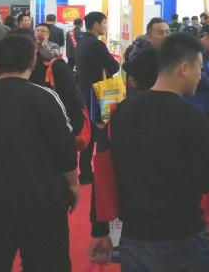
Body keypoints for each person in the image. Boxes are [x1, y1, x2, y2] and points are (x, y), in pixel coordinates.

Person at [110, 32, 209, 272]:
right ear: (184, 68)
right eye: (199, 68)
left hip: (132, 236)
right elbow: (207, 179)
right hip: (180, 237)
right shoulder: (191, 117)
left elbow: (110, 168)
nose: (200, 75)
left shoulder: (123, 110)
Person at [0, 33, 79, 272]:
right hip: (41, 199)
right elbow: (64, 147)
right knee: (46, 263)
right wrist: (73, 185)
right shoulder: (44, 97)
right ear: (32, 61)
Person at [88, 47, 159, 265]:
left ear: (133, 81)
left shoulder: (119, 115)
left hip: (133, 219)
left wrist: (99, 228)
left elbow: (103, 172)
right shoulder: (186, 115)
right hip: (179, 226)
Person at [75, 11, 120, 184]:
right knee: (99, 133)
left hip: (84, 90)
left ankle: (85, 171)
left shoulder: (82, 41)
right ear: (95, 25)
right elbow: (113, 66)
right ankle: (95, 172)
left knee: (89, 132)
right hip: (97, 93)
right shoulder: (96, 44)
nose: (106, 26)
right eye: (104, 23)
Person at [32, 23, 85, 135]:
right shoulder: (30, 45)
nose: (39, 33)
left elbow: (51, 55)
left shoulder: (53, 46)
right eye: (37, 30)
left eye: (43, 31)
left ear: (48, 34)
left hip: (50, 81)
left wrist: (43, 44)